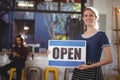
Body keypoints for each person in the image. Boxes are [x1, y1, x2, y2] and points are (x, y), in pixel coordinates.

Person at [71, 7, 113, 80]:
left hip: (93, 72)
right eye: (86, 15)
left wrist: (89, 66)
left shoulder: (101, 35)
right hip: (78, 72)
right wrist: (52, 53)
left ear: (96, 17)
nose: (88, 18)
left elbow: (109, 59)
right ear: (83, 18)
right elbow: (70, 55)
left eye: (91, 15)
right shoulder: (78, 37)